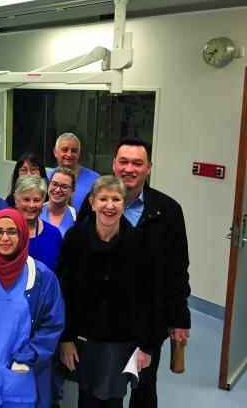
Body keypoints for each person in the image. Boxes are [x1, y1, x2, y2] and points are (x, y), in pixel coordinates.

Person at [77, 138, 191, 408]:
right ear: (114, 165)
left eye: (137, 163)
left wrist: (179, 318)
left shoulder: (169, 211)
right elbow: (78, 264)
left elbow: (177, 270)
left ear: (149, 168)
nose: (129, 168)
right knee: (97, 393)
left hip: (147, 322)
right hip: (100, 322)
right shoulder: (93, 204)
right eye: (124, 162)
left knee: (144, 390)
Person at [57, 176, 158, 408]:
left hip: (123, 339)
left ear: (125, 204)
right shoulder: (74, 239)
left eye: (116, 199)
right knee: (86, 398)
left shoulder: (140, 242)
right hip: (84, 337)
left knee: (113, 399)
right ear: (92, 202)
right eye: (103, 198)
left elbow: (148, 296)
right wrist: (67, 338)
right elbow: (65, 291)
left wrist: (146, 346)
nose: (109, 205)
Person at [0, 208, 65, 408]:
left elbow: (52, 324)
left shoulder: (41, 277)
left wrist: (26, 358)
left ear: (23, 234)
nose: (5, 238)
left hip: (23, 380)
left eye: (12, 231)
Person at [13, 175, 63, 271]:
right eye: (26, 199)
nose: (31, 205)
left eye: (36, 200)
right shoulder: (4, 231)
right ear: (16, 199)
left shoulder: (53, 234)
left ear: (43, 201)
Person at [47, 133, 99, 210]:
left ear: (79, 154)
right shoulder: (47, 178)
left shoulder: (95, 180)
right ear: (55, 152)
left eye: (74, 151)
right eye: (65, 150)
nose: (69, 154)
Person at [40, 167, 77, 237]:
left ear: (72, 191)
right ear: (48, 185)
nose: (57, 190)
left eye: (64, 187)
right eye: (54, 184)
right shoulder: (37, 211)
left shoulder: (76, 219)